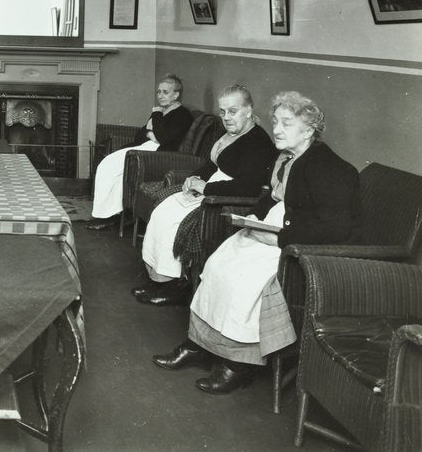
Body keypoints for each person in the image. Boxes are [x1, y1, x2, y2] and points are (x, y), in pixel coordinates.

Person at [153, 91, 362, 394]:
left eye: (287, 124)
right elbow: (270, 199)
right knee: (217, 264)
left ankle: (238, 365)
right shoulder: (287, 158)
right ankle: (199, 346)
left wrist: (279, 236)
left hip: (298, 248)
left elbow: (336, 229)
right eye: (276, 121)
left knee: (242, 280)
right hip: (271, 230)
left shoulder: (331, 168)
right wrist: (251, 220)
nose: (277, 129)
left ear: (309, 129)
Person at [134, 84, 275, 306]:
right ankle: (157, 278)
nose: (226, 117)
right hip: (209, 188)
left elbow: (248, 187)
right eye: (223, 111)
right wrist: (194, 177)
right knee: (163, 210)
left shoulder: (257, 141)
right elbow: (211, 165)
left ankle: (174, 286)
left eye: (233, 111)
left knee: (173, 221)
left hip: (223, 198)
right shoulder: (229, 135)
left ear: (248, 110)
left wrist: (206, 188)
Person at [86, 74, 193, 231]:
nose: (161, 96)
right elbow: (141, 134)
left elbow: (164, 138)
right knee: (108, 164)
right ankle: (107, 213)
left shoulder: (181, 114)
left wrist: (156, 118)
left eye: (165, 92)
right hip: (147, 146)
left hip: (157, 155)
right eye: (159, 92)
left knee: (112, 167)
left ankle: (108, 215)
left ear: (176, 95)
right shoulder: (162, 111)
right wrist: (151, 133)